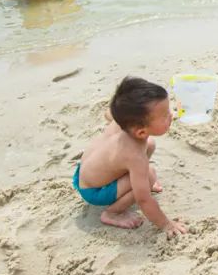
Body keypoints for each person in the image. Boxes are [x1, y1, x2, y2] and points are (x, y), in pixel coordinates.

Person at [74, 76, 187, 234]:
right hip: (94, 191)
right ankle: (113, 213)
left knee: (150, 145)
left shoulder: (123, 120)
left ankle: (135, 182)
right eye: (164, 116)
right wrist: (167, 224)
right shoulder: (134, 154)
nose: (171, 115)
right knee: (148, 176)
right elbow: (143, 200)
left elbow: (109, 114)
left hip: (84, 173)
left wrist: (164, 116)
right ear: (141, 131)